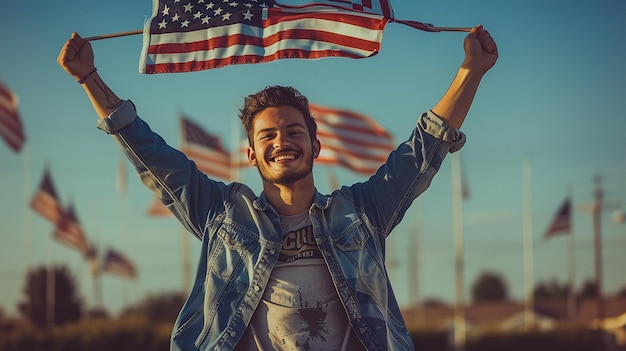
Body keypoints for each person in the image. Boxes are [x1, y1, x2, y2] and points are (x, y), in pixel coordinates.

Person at [57, 24, 497, 351]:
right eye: (267, 136)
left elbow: (422, 151)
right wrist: (88, 78)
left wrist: (471, 71)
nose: (281, 141)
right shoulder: (222, 214)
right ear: (251, 154)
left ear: (315, 145)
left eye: (293, 131)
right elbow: (151, 155)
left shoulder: (361, 212)